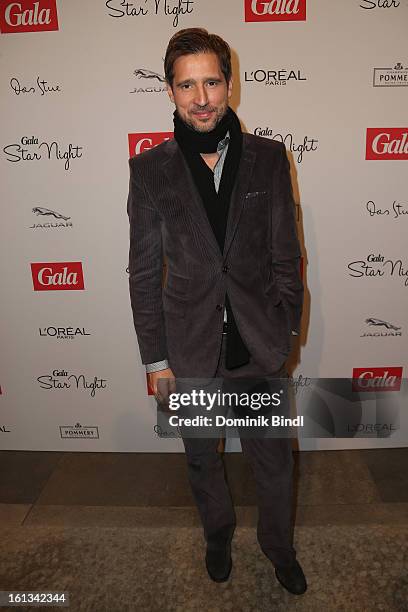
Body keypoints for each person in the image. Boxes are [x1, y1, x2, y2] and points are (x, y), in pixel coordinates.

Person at [127, 28, 306, 595]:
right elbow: (142, 272)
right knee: (203, 461)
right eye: (186, 85)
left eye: (211, 81)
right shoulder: (149, 171)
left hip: (257, 345)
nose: (201, 97)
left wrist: (285, 332)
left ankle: (279, 548)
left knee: (275, 464)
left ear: (230, 83)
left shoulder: (269, 158)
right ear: (170, 91)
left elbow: (286, 254)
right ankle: (217, 536)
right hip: (189, 349)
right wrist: (155, 359)